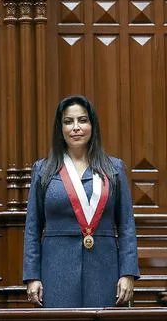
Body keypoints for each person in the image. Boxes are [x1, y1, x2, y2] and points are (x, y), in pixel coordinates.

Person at [23, 95, 139, 308]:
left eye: (82, 120)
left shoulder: (113, 169)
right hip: (56, 269)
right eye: (68, 121)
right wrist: (32, 276)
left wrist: (128, 272)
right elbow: (32, 227)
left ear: (92, 125)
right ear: (60, 128)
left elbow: (126, 226)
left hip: (105, 270)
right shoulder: (43, 169)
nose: (76, 127)